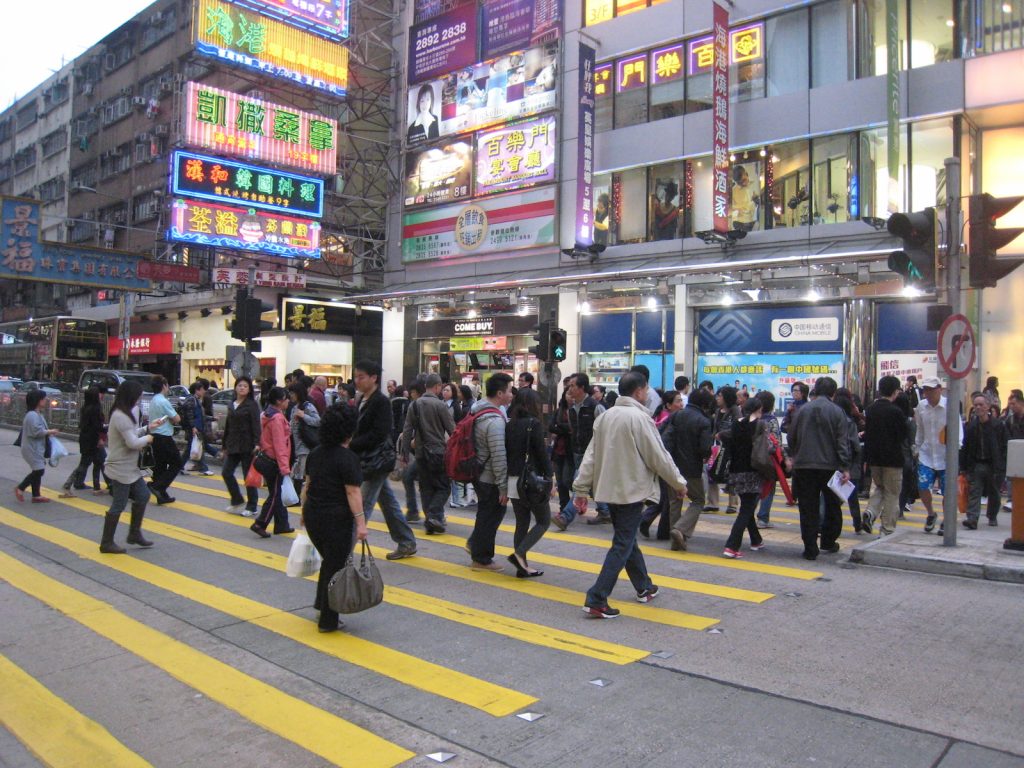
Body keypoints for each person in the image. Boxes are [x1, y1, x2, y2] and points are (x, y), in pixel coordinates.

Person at [573, 372, 687, 618]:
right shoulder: (640, 418)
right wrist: (678, 482)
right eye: (646, 390)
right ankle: (597, 597)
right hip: (631, 491)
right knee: (623, 542)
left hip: (608, 490)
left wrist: (581, 488)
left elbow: (590, 456)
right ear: (638, 391)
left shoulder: (605, 417)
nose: (647, 394)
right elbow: (658, 456)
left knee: (626, 539)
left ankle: (644, 587)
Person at [302, 403, 368, 633]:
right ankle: (328, 621)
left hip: (313, 515)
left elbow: (307, 485)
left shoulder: (315, 453)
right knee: (335, 567)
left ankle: (321, 604)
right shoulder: (348, 458)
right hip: (336, 519)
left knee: (328, 562)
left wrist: (303, 513)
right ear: (350, 430)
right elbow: (353, 493)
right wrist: (361, 524)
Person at [351, 360, 418, 559]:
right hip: (368, 459)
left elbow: (379, 433)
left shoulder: (380, 401)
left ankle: (344, 550)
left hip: (376, 462)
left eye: (361, 377)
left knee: (362, 506)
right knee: (388, 503)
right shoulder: (361, 398)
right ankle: (406, 542)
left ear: (373, 378)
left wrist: (351, 444)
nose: (357, 380)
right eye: (356, 376)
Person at [787, 377, 851, 560]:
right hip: (830, 467)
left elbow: (791, 437)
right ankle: (828, 541)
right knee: (832, 505)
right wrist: (845, 467)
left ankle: (810, 547)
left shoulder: (802, 411)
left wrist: (796, 454)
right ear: (833, 393)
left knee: (808, 506)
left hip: (804, 466)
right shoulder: (837, 412)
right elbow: (842, 442)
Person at [99, 380, 166, 554]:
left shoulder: (124, 413)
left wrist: (148, 428)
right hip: (121, 468)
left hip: (130, 467)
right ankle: (106, 542)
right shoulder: (121, 416)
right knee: (119, 504)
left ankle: (134, 533)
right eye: (138, 395)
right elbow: (132, 442)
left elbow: (131, 434)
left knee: (143, 495)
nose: (140, 398)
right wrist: (149, 438)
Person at [466, 372, 514, 571]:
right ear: (500, 393)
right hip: (489, 476)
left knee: (485, 513)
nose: (512, 395)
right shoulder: (494, 421)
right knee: (490, 515)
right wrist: (504, 487)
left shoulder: (477, 410)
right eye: (510, 391)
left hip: (479, 471)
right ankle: (482, 558)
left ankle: (475, 545)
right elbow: (498, 455)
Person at [505, 388, 552, 577]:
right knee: (543, 521)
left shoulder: (510, 425)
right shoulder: (534, 424)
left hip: (512, 479)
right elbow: (541, 455)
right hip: (530, 481)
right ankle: (519, 554)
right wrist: (550, 478)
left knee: (521, 522)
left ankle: (522, 568)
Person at [661, 388, 714, 551]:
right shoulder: (704, 421)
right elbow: (705, 448)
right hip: (692, 469)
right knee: (698, 500)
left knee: (675, 501)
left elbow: (664, 437)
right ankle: (681, 529)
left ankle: (675, 540)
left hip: (672, 467)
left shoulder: (677, 415)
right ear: (705, 404)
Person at [402, 373, 456, 533]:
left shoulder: (415, 404)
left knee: (426, 488)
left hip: (420, 453)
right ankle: (434, 515)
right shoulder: (440, 406)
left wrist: (405, 452)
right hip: (438, 452)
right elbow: (453, 430)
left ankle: (431, 521)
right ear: (438, 386)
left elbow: (407, 430)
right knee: (444, 487)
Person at [553, 373, 608, 528]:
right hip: (577, 452)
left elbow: (606, 428)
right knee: (590, 484)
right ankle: (605, 511)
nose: (569, 389)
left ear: (582, 388)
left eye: (572, 386)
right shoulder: (572, 409)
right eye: (569, 385)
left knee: (579, 485)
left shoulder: (594, 406)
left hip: (592, 454)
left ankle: (565, 517)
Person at [860, 376, 909, 537]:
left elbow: (868, 435)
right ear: (895, 392)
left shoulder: (871, 409)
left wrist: (866, 459)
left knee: (880, 488)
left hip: (875, 459)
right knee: (892, 494)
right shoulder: (896, 411)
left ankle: (870, 512)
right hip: (893, 460)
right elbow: (902, 435)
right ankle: (887, 528)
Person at [722, 398, 768, 558]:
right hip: (752, 471)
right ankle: (731, 546)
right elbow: (764, 449)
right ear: (758, 409)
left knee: (746, 506)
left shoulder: (736, 423)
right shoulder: (760, 425)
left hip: (735, 470)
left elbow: (726, 438)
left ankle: (756, 540)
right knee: (747, 509)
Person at [914, 377, 960, 534]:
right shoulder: (921, 407)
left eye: (932, 389)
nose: (928, 393)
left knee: (948, 491)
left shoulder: (949, 406)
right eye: (926, 390)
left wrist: (956, 449)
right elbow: (919, 429)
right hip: (926, 454)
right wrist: (917, 447)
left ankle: (947, 520)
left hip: (946, 456)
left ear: (940, 389)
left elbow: (958, 428)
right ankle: (931, 513)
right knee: (922, 486)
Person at [251, 387, 294, 538]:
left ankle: (282, 524)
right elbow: (280, 444)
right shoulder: (277, 419)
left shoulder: (266, 414)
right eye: (286, 398)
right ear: (279, 401)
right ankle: (260, 523)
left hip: (265, 458)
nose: (288, 401)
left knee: (276, 492)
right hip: (274, 461)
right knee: (275, 494)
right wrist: (284, 467)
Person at [961, 393, 1009, 528]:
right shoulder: (971, 426)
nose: (978, 407)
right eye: (975, 405)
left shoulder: (998, 425)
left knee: (994, 493)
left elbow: (1005, 445)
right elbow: (965, 447)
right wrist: (964, 467)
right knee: (974, 491)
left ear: (988, 406)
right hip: (976, 464)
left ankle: (992, 516)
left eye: (981, 405)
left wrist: (1002, 464)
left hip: (993, 465)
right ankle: (972, 519)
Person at [221, 376, 261, 517]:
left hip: (247, 444)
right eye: (240, 385)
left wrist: (257, 443)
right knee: (226, 472)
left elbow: (256, 425)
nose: (242, 388)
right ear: (235, 387)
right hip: (232, 444)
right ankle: (237, 499)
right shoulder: (232, 403)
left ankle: (252, 506)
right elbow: (228, 425)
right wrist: (224, 444)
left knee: (248, 477)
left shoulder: (252, 405)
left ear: (249, 389)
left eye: (245, 386)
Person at [60, 384, 107, 497]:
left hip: (86, 439)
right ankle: (68, 484)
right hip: (93, 440)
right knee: (86, 464)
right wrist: (106, 429)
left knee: (97, 462)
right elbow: (97, 426)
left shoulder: (85, 408)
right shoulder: (95, 409)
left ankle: (96, 487)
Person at [15, 389, 60, 503]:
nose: (45, 400)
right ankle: (21, 488)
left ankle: (36, 495)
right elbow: (36, 432)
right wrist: (50, 431)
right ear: (38, 400)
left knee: (38, 470)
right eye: (43, 398)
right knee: (39, 471)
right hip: (32, 448)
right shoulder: (32, 415)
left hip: (36, 447)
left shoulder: (37, 414)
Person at [146, 375, 181, 505]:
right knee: (176, 463)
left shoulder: (154, 400)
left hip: (155, 436)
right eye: (167, 385)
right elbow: (176, 419)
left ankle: (162, 495)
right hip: (164, 437)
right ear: (164, 386)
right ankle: (157, 486)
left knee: (160, 466)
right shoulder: (163, 401)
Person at [834, 393, 865, 534]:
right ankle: (857, 523)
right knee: (851, 494)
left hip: (833, 462)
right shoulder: (850, 422)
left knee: (838, 494)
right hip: (849, 463)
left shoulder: (832, 419)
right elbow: (855, 445)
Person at [706, 386, 740, 514]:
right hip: (716, 446)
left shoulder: (735, 410)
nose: (717, 398)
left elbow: (737, 428)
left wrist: (722, 434)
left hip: (731, 447)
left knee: (731, 473)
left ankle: (733, 504)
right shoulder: (717, 410)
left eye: (720, 395)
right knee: (711, 471)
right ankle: (712, 503)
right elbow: (714, 428)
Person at [754, 391, 785, 528]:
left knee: (754, 486)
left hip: (753, 458)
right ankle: (763, 518)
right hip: (768, 459)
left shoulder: (752, 418)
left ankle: (749, 514)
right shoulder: (771, 420)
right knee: (769, 487)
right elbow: (776, 441)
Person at [288, 382, 321, 503]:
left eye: (292, 393)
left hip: (306, 446)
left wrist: (303, 416)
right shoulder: (294, 408)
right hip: (296, 446)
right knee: (297, 473)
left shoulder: (307, 406)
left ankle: (306, 499)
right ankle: (297, 499)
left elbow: (318, 421)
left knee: (303, 474)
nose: (290, 395)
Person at [549, 377, 575, 511]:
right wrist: (567, 429)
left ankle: (574, 504)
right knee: (560, 481)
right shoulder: (559, 411)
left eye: (572, 394)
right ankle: (563, 507)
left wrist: (561, 428)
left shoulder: (577, 411)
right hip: (558, 450)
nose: (570, 397)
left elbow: (576, 428)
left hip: (571, 451)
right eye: (568, 394)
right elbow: (551, 427)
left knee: (567, 481)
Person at [179, 380, 214, 476]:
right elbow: (189, 414)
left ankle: (179, 467)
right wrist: (193, 427)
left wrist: (213, 418)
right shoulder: (191, 400)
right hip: (194, 429)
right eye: (202, 390)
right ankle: (203, 468)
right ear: (197, 390)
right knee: (198, 447)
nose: (203, 392)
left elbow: (201, 416)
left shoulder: (195, 399)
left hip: (196, 428)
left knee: (191, 448)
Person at [731, 164, 759, 231]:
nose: (743, 183)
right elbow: (731, 210)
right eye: (739, 183)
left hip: (756, 222)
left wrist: (757, 200)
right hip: (740, 223)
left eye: (744, 180)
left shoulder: (756, 183)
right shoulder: (733, 191)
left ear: (746, 173)